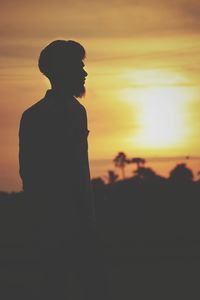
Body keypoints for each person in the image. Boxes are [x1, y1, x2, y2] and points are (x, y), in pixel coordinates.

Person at [19, 40, 108, 299]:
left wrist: (87, 218)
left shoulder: (77, 111)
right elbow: (32, 174)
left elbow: (79, 171)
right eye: (79, 67)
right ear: (62, 71)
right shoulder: (37, 115)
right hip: (55, 223)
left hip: (77, 220)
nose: (84, 73)